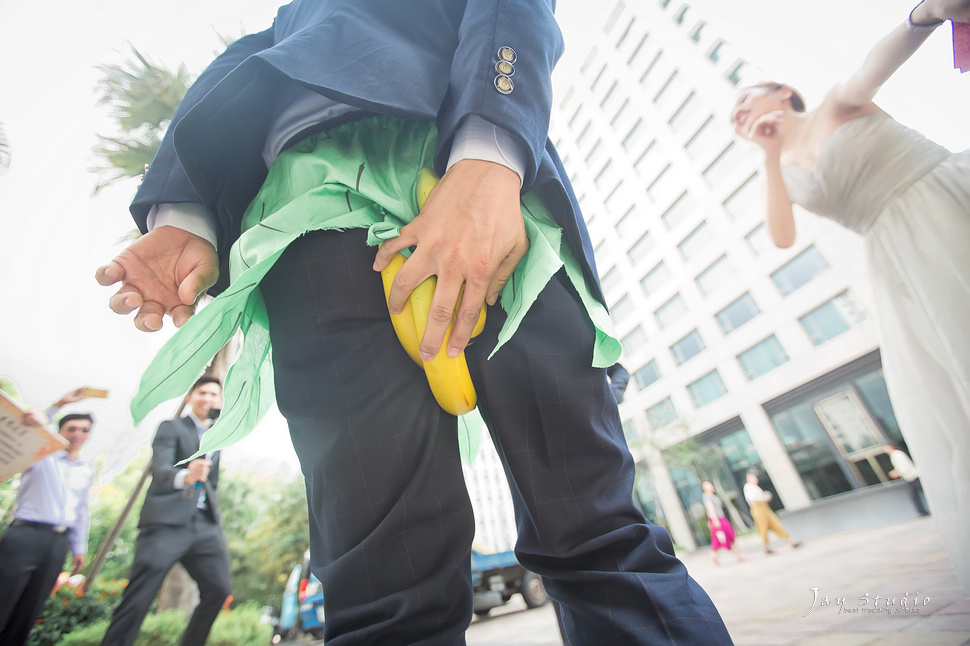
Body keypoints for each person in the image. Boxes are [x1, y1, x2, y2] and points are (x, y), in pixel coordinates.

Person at [94, 2, 731, 643]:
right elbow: (227, 82)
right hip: (317, 227)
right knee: (397, 585)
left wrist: (491, 152)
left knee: (582, 534)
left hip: (474, 204)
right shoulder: (290, 22)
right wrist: (183, 215)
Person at [730, 0, 969, 590]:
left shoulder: (838, 102)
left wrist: (927, 14)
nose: (737, 115)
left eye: (744, 102)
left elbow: (874, 64)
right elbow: (781, 236)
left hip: (942, 202)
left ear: (783, 93)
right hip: (896, 258)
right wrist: (767, 156)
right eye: (732, 118)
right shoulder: (780, 168)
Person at [101, 376, 230, 646]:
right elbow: (160, 470)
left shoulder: (218, 437)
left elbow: (212, 482)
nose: (208, 398)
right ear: (190, 398)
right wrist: (186, 475)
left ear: (220, 402)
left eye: (214, 395)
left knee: (219, 590)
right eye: (202, 393)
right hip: (165, 524)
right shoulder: (171, 428)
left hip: (204, 526)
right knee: (140, 596)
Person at [0, 406, 95, 646]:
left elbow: (81, 510)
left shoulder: (85, 470)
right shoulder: (41, 456)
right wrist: (54, 408)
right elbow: (30, 427)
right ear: (59, 432)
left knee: (30, 609)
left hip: (57, 543)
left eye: (84, 430)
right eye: (71, 429)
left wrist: (79, 547)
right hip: (25, 535)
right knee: (3, 598)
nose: (77, 434)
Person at [742, 473, 800, 555]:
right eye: (753, 477)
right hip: (758, 509)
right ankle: (766, 547)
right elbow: (753, 500)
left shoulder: (755, 487)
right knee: (763, 528)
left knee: (776, 524)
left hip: (765, 508)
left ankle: (790, 541)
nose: (755, 479)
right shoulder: (748, 487)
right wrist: (764, 499)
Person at [701, 481, 745, 566]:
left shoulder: (713, 496)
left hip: (721, 518)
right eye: (707, 485)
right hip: (717, 519)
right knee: (719, 539)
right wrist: (715, 520)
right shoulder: (707, 496)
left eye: (710, 484)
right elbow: (710, 509)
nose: (710, 486)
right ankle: (713, 555)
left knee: (729, 536)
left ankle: (737, 555)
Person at [885, 443, 930, 517]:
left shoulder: (896, 454)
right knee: (914, 496)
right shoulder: (896, 454)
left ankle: (923, 511)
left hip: (913, 477)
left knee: (919, 494)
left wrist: (897, 473)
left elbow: (904, 467)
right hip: (910, 478)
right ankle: (922, 511)